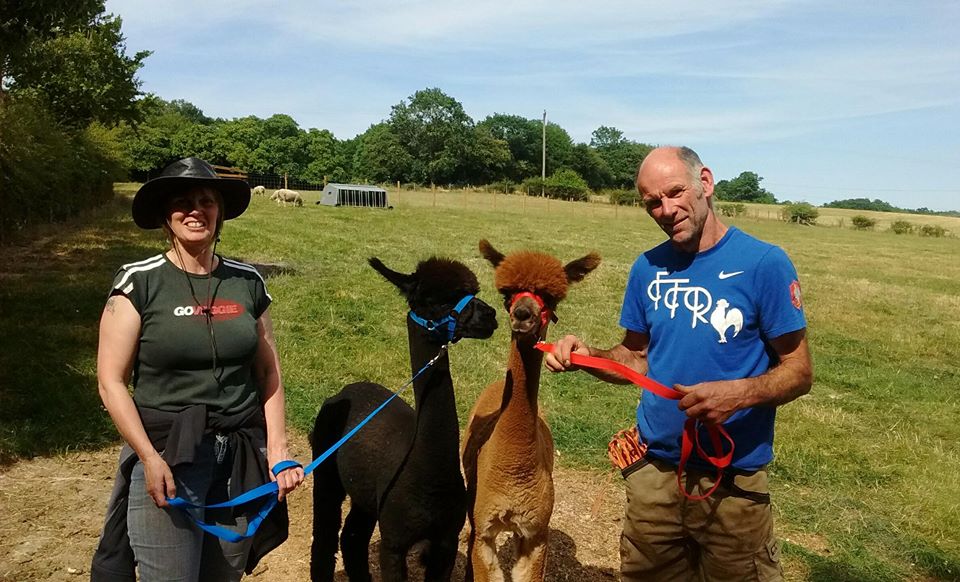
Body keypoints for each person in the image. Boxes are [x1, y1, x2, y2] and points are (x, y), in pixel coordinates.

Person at [544, 146, 813, 582]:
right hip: (653, 476)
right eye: (653, 201)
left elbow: (799, 371)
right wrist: (587, 357)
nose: (666, 210)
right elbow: (635, 356)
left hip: (733, 485)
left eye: (675, 192)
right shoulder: (647, 268)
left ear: (704, 183)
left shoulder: (764, 264)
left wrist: (739, 394)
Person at [91, 157, 305, 581]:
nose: (196, 210)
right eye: (183, 202)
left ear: (220, 212)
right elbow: (110, 382)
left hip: (241, 454)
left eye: (207, 201)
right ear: (165, 217)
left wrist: (277, 451)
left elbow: (269, 373)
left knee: (224, 575)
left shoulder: (247, 282)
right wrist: (149, 458)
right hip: (170, 453)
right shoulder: (138, 281)